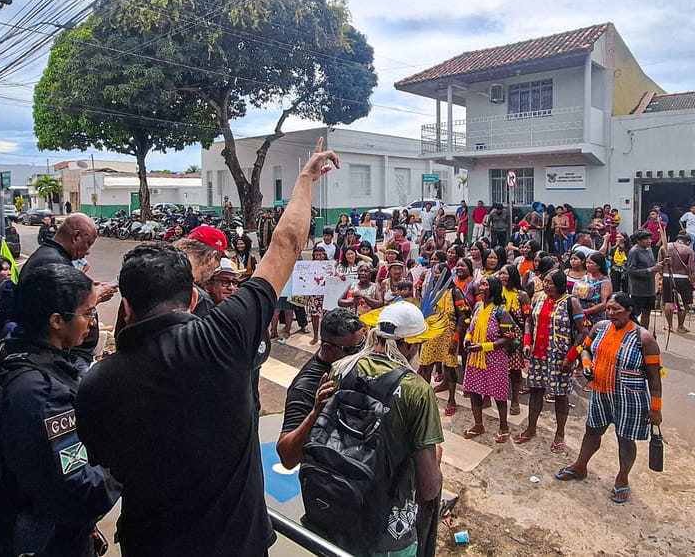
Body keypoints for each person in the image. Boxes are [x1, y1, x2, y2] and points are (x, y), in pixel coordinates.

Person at [75, 139, 340, 555]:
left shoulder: (94, 385)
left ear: (125, 305)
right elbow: (286, 245)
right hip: (238, 544)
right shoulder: (223, 337)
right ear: (194, 297)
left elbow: (105, 466)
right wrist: (305, 178)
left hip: (152, 545)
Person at [0, 264, 120, 556]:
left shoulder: (12, 351)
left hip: (13, 523)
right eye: (88, 313)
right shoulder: (43, 394)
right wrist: (123, 461)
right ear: (56, 321)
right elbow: (80, 489)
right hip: (43, 538)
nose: (92, 323)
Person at [326, 302, 444, 557]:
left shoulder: (341, 369)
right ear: (409, 345)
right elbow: (429, 488)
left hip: (338, 505)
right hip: (387, 528)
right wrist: (435, 457)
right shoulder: (417, 390)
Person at [555, 293, 662, 505]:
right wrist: (587, 364)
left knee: (625, 439)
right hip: (600, 392)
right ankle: (580, 466)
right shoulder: (600, 328)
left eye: (617, 310)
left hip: (629, 398)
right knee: (592, 431)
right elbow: (585, 349)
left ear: (630, 311)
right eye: (609, 309)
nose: (611, 313)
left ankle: (622, 479)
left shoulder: (644, 339)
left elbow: (654, 378)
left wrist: (656, 408)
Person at [22, 214, 117, 368]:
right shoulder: (53, 262)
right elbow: (60, 306)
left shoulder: (52, 256)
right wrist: (95, 296)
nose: (88, 252)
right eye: (88, 244)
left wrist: (87, 289)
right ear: (76, 237)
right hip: (65, 356)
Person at [276, 308, 367, 468]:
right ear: (327, 348)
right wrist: (316, 412)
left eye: (363, 344)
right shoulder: (305, 387)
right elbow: (287, 458)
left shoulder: (350, 363)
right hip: (327, 472)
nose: (361, 353)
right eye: (352, 350)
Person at [518, 270, 584, 452]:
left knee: (560, 395)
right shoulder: (539, 298)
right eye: (545, 282)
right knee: (535, 391)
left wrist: (571, 357)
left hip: (560, 358)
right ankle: (531, 428)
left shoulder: (571, 302)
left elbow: (582, 332)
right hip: (538, 356)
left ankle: (560, 434)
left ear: (560, 284)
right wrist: (527, 341)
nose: (546, 285)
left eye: (551, 282)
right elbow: (529, 321)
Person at [461, 276, 516, 442]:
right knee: (474, 392)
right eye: (481, 284)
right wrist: (467, 339)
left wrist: (483, 347)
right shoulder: (478, 307)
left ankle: (504, 427)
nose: (481, 287)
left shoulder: (501, 312)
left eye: (485, 284)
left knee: (499, 395)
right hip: (475, 359)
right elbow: (471, 327)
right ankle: (478, 425)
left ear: (494, 288)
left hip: (494, 360)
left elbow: (508, 340)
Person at [417, 255, 469, 416]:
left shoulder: (455, 292)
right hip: (431, 333)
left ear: (445, 274)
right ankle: (424, 398)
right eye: (434, 273)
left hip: (448, 335)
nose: (434, 275)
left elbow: (463, 316)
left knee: (449, 368)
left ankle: (452, 400)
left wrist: (455, 339)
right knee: (425, 366)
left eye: (438, 272)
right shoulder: (432, 291)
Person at [499, 265, 532, 416]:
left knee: (515, 371)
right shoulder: (497, 292)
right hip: (499, 335)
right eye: (500, 274)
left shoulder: (522, 295)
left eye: (505, 274)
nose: (501, 277)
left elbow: (527, 319)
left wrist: (527, 340)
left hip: (515, 338)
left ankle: (515, 399)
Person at [659, 232, 695, 335]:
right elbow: (692, 267)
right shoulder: (689, 250)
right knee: (683, 303)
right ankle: (680, 326)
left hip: (667, 276)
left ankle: (670, 326)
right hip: (683, 278)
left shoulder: (665, 247)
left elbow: (659, 263)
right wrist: (693, 281)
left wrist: (661, 276)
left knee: (668, 301)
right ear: (688, 242)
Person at [624, 231, 657, 328]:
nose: (649, 241)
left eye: (650, 239)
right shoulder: (634, 252)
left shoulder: (649, 249)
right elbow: (631, 271)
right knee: (635, 313)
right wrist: (651, 270)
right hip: (638, 289)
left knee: (647, 312)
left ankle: (644, 332)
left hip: (649, 288)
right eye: (646, 239)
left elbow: (653, 266)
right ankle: (630, 330)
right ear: (638, 241)